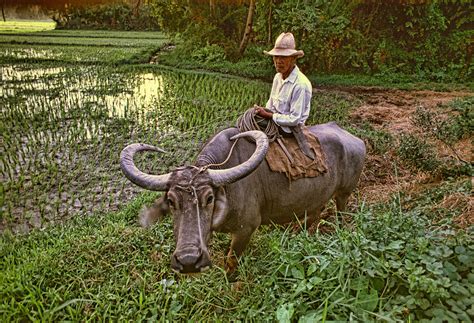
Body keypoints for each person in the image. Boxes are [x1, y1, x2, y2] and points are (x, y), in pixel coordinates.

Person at [254, 32, 314, 159]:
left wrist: (270, 115)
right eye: (276, 57)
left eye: (283, 57)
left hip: (289, 129)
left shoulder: (300, 84)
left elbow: (294, 119)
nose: (278, 61)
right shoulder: (277, 77)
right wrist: (262, 110)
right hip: (273, 121)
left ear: (293, 59)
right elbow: (270, 103)